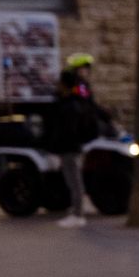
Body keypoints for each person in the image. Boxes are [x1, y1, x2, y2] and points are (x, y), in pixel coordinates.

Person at [47, 55, 109, 228]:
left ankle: (78, 212)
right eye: (82, 69)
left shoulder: (78, 91)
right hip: (73, 141)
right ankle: (76, 209)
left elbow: (86, 107)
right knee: (72, 178)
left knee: (74, 178)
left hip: (72, 142)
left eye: (86, 69)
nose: (85, 72)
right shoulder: (77, 89)